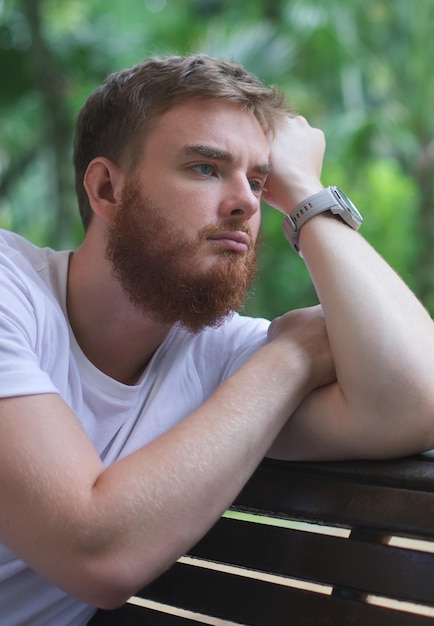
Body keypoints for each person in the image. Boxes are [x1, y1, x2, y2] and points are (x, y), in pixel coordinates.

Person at [1, 53, 434, 626]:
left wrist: (305, 194)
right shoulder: (13, 294)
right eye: (205, 168)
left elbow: (413, 399)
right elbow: (94, 554)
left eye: (259, 180)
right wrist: (292, 355)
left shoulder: (216, 357)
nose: (247, 203)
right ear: (107, 188)